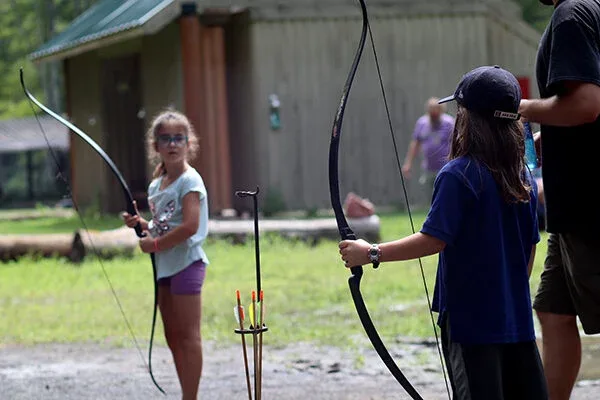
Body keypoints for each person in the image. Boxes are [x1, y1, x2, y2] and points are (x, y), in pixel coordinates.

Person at [339, 66, 547, 400]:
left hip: (471, 325)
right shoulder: (520, 174)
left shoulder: (458, 175)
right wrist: (509, 293)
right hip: (516, 320)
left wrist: (371, 252)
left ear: (467, 118)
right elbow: (531, 246)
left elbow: (434, 238)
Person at [518, 0, 600, 398]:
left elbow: (585, 105)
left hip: (589, 206)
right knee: (553, 309)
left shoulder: (572, 14)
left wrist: (516, 108)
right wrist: (545, 135)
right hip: (572, 212)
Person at [122, 109, 209, 400]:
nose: (172, 144)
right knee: (173, 337)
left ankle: (191, 397)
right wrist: (142, 225)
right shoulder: (155, 185)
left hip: (187, 265)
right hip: (165, 268)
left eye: (178, 138)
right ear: (155, 146)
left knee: (188, 336)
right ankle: (186, 394)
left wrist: (155, 245)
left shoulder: (189, 181)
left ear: (188, 143)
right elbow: (163, 225)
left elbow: (189, 227)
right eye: (165, 139)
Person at [401, 97, 455, 194]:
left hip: (446, 166)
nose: (433, 114)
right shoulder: (422, 123)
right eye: (431, 111)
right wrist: (408, 163)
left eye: (436, 111)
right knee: (432, 196)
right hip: (429, 168)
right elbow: (415, 144)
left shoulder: (449, 123)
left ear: (441, 111)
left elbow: (456, 143)